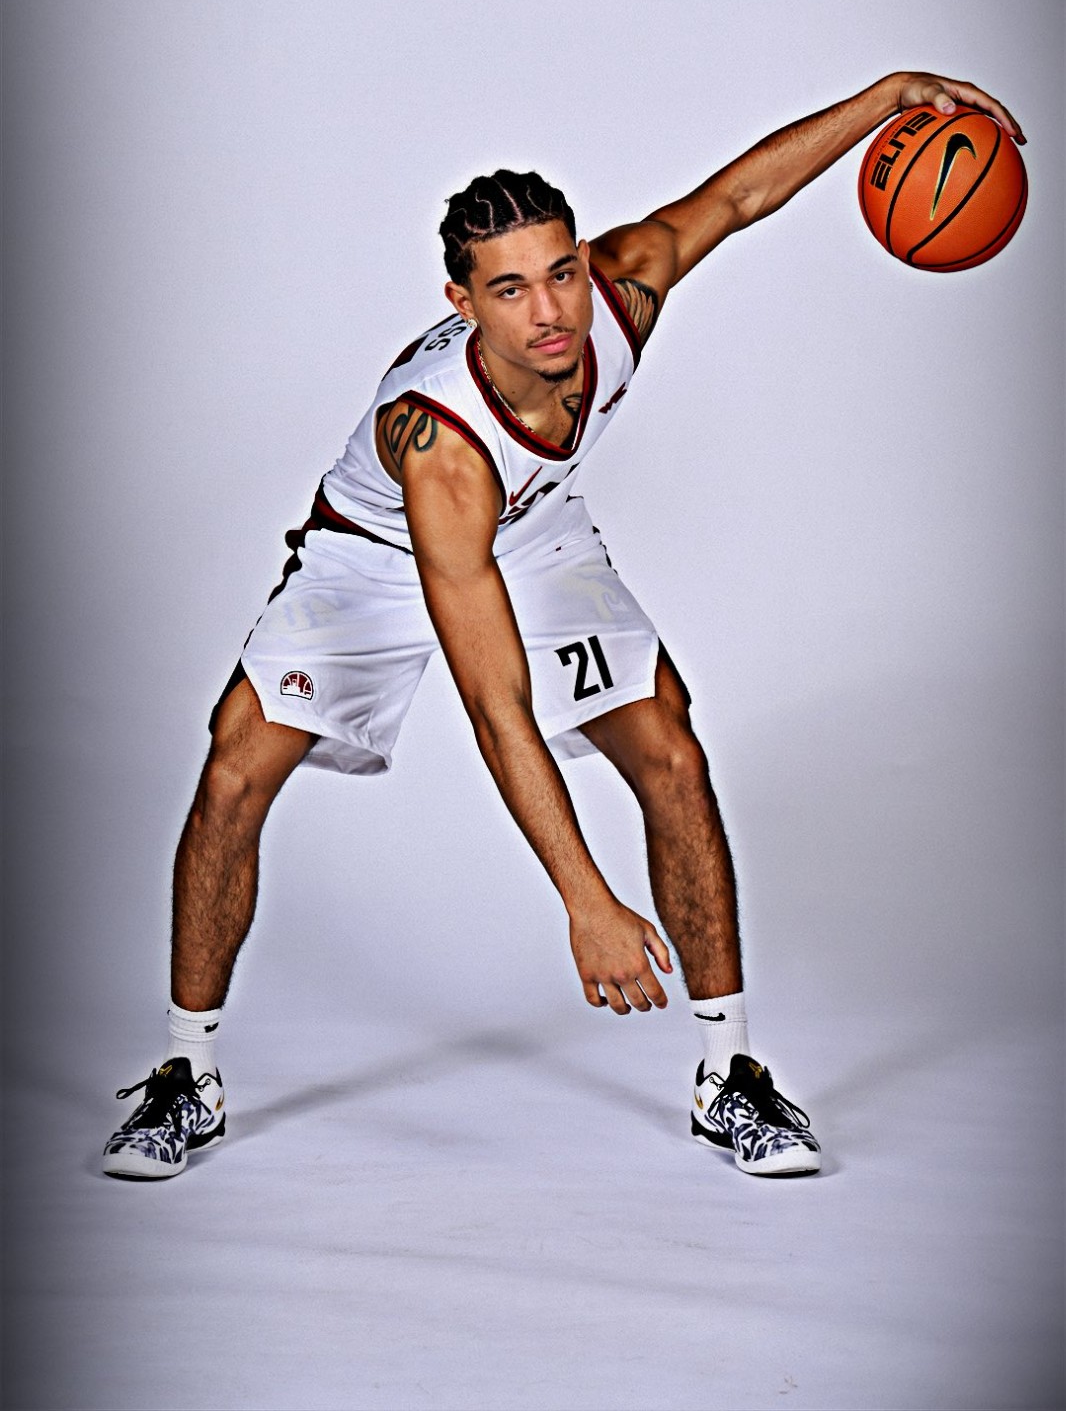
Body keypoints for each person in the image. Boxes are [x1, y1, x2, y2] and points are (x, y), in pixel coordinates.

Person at [103, 71, 1023, 1181]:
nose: (548, 312)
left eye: (560, 273)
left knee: (670, 749)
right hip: (374, 547)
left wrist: (888, 98)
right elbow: (497, 706)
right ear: (462, 303)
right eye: (508, 290)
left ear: (586, 261)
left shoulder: (620, 298)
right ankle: (187, 1074)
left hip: (533, 521)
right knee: (235, 767)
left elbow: (737, 198)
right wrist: (585, 898)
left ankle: (728, 1073)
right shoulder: (440, 446)